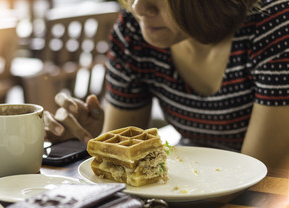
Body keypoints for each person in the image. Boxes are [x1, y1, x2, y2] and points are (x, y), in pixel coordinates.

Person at [44, 0, 289, 169]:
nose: (139, 7)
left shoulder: (274, 26)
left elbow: (259, 178)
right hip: (192, 182)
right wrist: (91, 140)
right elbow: (124, 166)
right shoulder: (133, 31)